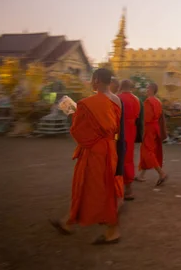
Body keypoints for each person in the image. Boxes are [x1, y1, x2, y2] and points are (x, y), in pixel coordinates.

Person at [49, 68, 124, 244]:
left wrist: (75, 114)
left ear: (96, 80)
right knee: (91, 187)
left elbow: (78, 130)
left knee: (99, 189)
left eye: (92, 79)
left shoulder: (87, 103)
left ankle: (113, 230)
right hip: (110, 148)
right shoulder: (117, 101)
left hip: (94, 151)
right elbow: (116, 130)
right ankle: (68, 221)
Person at [136, 83, 169, 186]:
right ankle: (141, 175)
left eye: (147, 88)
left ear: (151, 89)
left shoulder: (148, 101)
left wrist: (141, 129)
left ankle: (161, 173)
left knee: (148, 151)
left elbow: (147, 118)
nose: (146, 90)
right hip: (155, 127)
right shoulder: (158, 101)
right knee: (147, 150)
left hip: (149, 128)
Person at [117, 79, 143, 200]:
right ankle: (129, 189)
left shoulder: (117, 98)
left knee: (118, 158)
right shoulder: (136, 100)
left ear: (121, 86)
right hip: (131, 131)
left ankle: (119, 189)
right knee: (129, 159)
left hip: (119, 131)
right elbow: (138, 117)